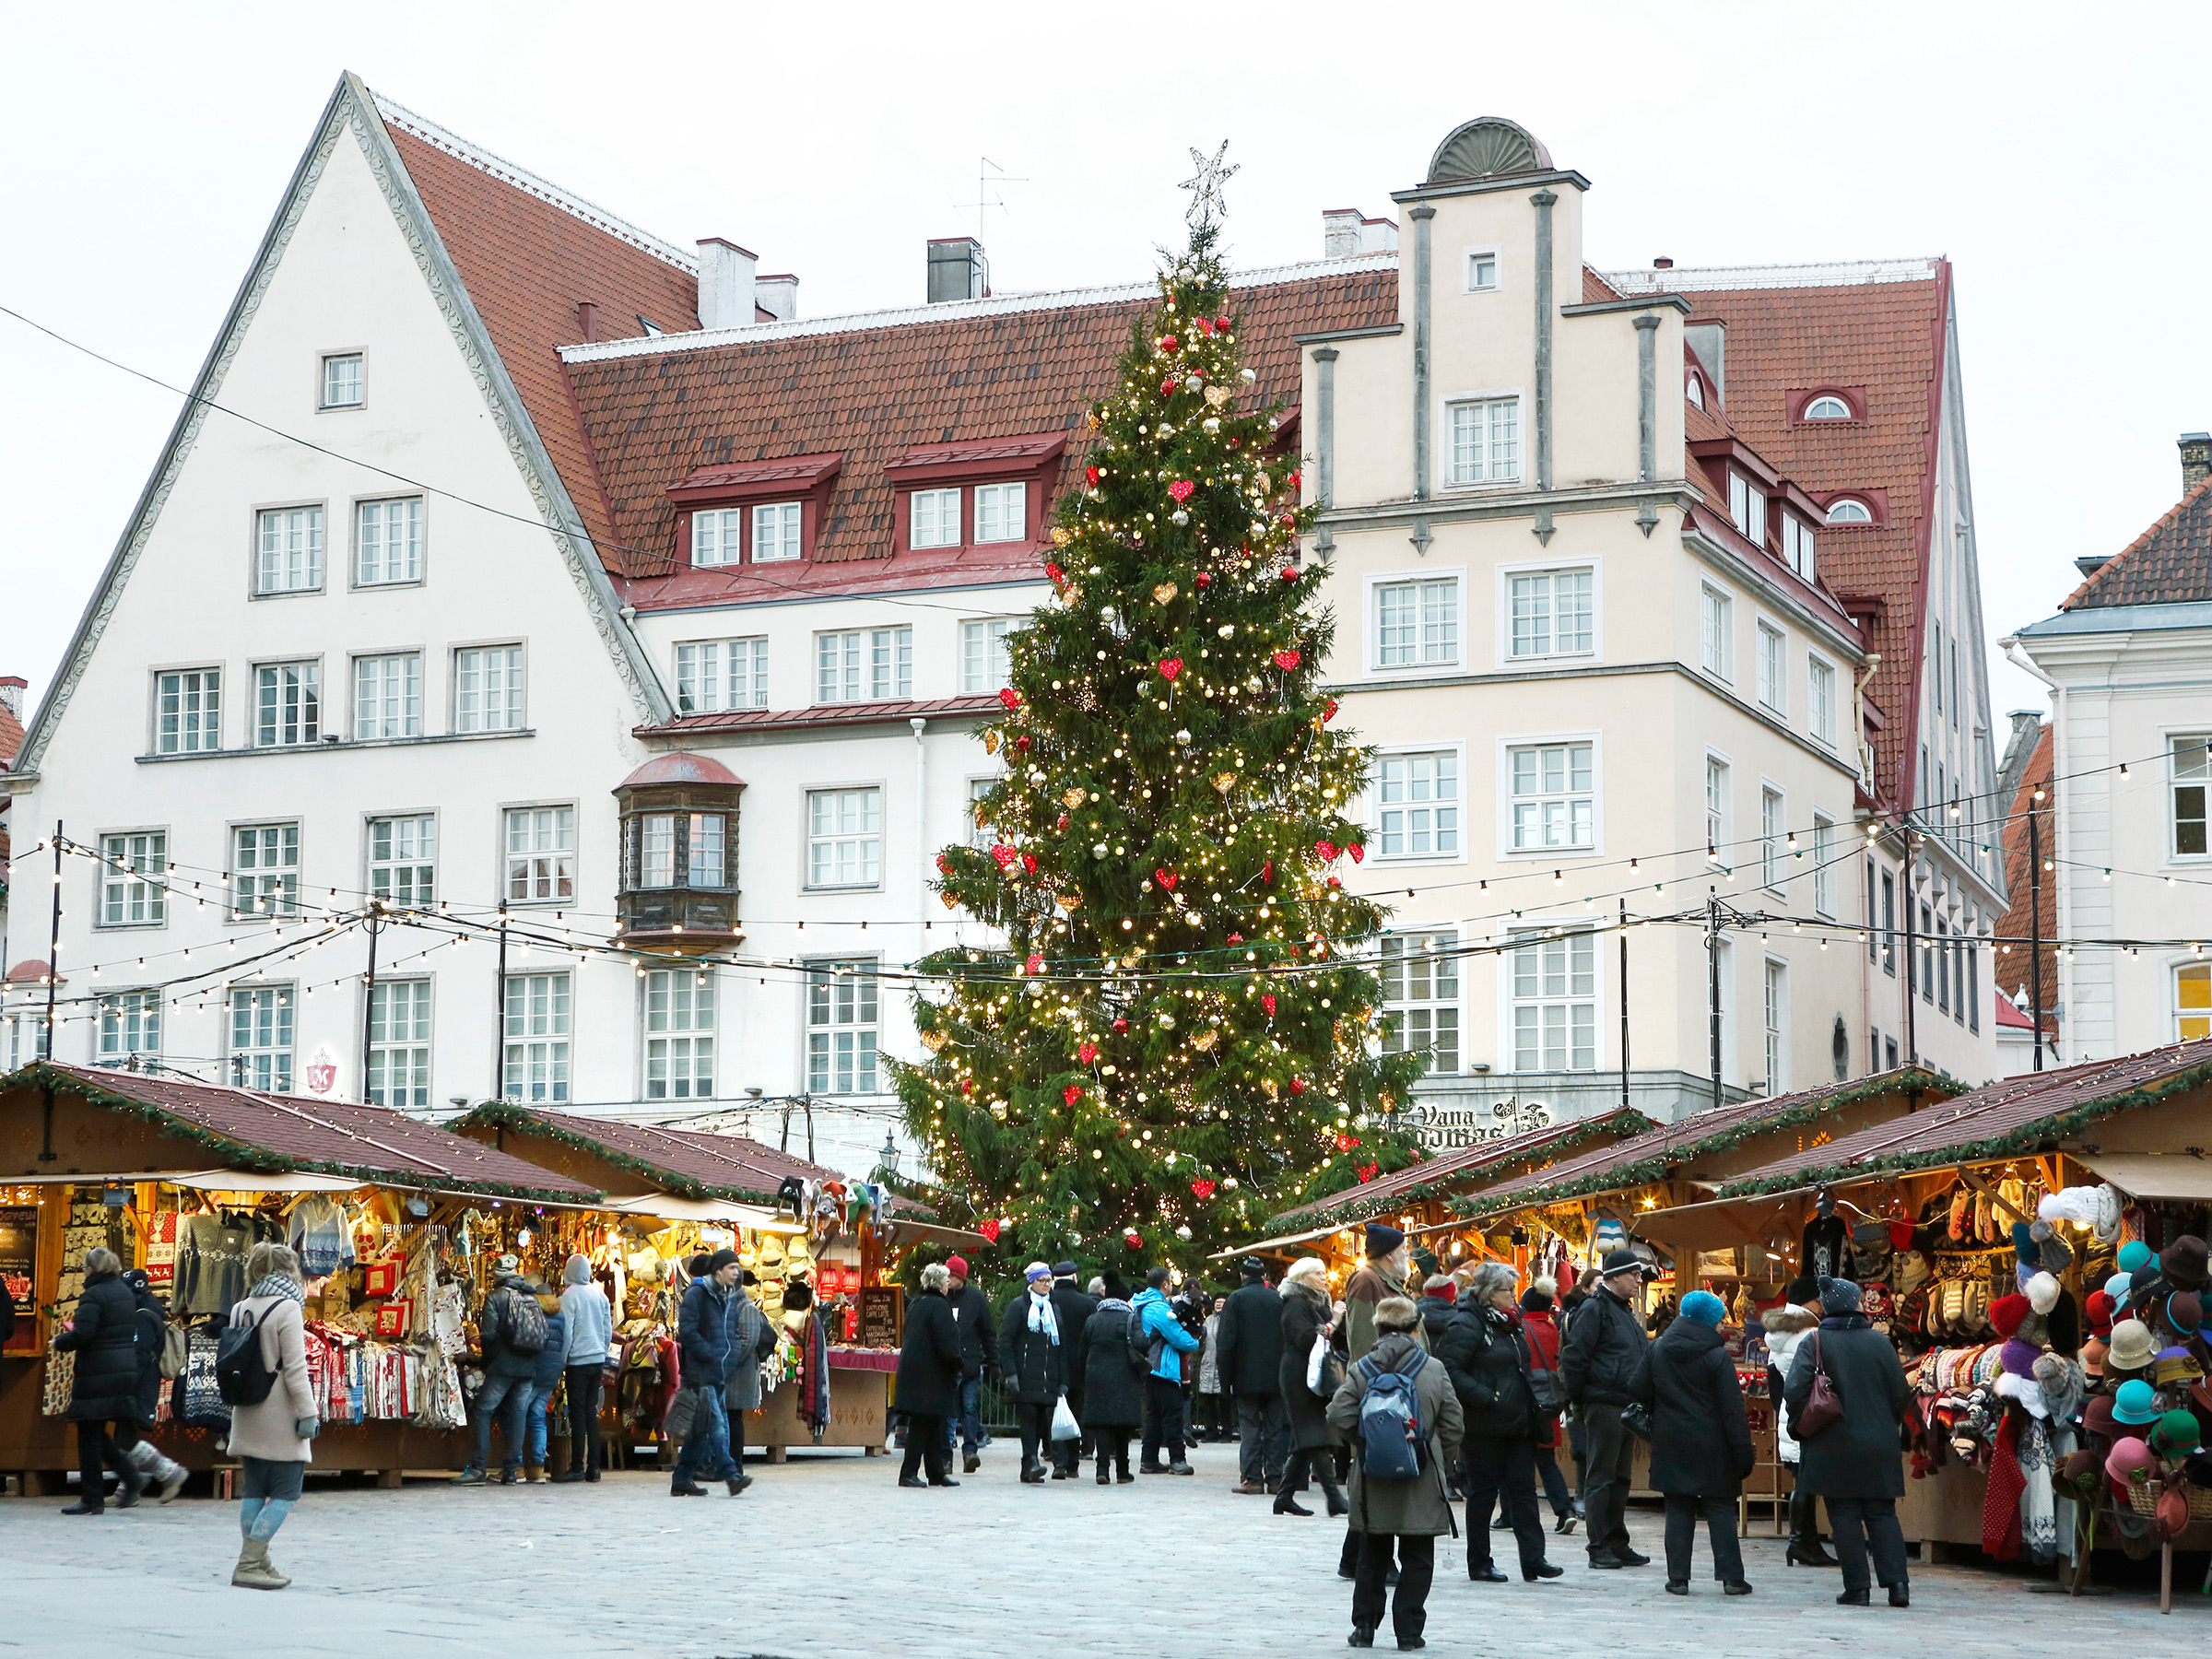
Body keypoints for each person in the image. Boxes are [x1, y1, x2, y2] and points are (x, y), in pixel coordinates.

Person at [1327, 1296, 1465, 1651]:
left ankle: (1364, 1629)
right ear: (1415, 1328)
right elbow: (1453, 1423)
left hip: (1373, 1477)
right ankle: (1408, 1632)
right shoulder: (1433, 1368)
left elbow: (1337, 1414)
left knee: (1372, 1555)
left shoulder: (1363, 1367)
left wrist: (1365, 1443)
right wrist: (1435, 1454)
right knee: (1418, 1558)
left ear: (1379, 1328)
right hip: (1421, 1475)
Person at [1784, 1278, 1913, 1607]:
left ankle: (1858, 1588)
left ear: (1826, 1307)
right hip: (1879, 1441)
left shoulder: (1815, 1342)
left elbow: (1794, 1390)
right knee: (1882, 1514)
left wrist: (1805, 1424)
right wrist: (1886, 1422)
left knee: (1843, 1516)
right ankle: (1898, 1585)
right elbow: (1901, 1393)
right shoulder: (1880, 1343)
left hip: (1831, 1442)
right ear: (1856, 1303)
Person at [1436, 1261, 1562, 1584]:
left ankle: (1534, 1559)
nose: (1514, 1296)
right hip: (1484, 1425)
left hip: (1518, 1422)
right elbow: (1450, 1370)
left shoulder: (1510, 1322)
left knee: (1523, 1491)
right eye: (1508, 1290)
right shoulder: (1466, 1323)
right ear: (1490, 1293)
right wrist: (1488, 1397)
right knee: (1483, 1494)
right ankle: (1479, 1562)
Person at [1637, 1289, 1753, 1596]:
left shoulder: (1657, 1349)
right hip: (1714, 1445)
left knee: (1678, 1508)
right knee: (1720, 1509)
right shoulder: (1716, 1356)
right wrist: (1743, 1454)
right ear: (1708, 1321)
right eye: (1718, 1321)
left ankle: (1678, 1579)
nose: (1720, 1327)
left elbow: (1635, 1388)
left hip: (1669, 1440)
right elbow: (1732, 1411)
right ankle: (1731, 1578)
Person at [224, 1242, 321, 1590]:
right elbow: (295, 1368)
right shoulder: (288, 1308)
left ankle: (260, 1562)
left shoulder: (240, 1308)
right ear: (289, 1270)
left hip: (247, 1409)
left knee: (254, 1489)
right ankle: (249, 1563)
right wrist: (308, 1413)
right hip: (279, 1412)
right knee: (286, 1491)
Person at [1559, 1248, 1653, 1570]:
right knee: (1601, 1477)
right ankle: (1598, 1545)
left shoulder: (1623, 1311)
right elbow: (1574, 1358)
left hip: (1624, 1405)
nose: (1639, 1281)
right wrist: (1579, 1401)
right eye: (1634, 1275)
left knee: (1621, 1477)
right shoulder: (1595, 1309)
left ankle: (1617, 1541)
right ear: (1614, 1277)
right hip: (1603, 1403)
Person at [52, 1247, 147, 1514]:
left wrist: (59, 1341)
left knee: (88, 1433)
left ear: (92, 1268)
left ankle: (93, 1498)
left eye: (84, 1267)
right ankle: (130, 1478)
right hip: (124, 1369)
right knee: (96, 1433)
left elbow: (84, 1333)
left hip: (98, 1371)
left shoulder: (93, 1294)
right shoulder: (125, 1292)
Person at [1760, 1276, 1834, 1564]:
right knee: (1807, 1482)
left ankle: (1803, 1542)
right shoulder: (1808, 1332)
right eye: (1819, 1299)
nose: (1823, 1305)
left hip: (1791, 1415)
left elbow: (1774, 1382)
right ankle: (1802, 1543)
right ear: (1809, 1300)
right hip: (1810, 1415)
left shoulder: (1781, 1332)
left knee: (1803, 1479)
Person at [453, 1253, 539, 1486]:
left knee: (483, 1411)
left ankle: (479, 1468)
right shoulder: (531, 1296)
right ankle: (512, 1470)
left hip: (503, 1366)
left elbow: (489, 1335)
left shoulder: (496, 1297)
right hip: (528, 1367)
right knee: (518, 1415)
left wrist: (482, 1360)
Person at [671, 1249, 751, 1497]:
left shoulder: (728, 1297)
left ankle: (681, 1479)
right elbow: (688, 1331)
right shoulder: (697, 1294)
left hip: (718, 1372)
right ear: (718, 1270)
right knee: (717, 1425)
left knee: (700, 1432)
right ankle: (731, 1475)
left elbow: (732, 1334)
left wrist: (732, 1356)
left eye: (737, 1268)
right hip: (700, 1373)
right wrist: (710, 1354)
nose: (737, 1273)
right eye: (732, 1268)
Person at [1276, 1256, 1348, 1518]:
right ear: (1303, 1277)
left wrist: (1338, 1323)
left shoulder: (1317, 1303)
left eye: (1324, 1273)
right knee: (1315, 1434)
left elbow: (1334, 1341)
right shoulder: (1295, 1304)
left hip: (1314, 1373)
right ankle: (1334, 1498)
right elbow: (1308, 1339)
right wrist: (1334, 1322)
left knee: (1304, 1439)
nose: (1324, 1277)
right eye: (1318, 1273)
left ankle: (1283, 1498)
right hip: (1298, 1374)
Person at [895, 1261, 971, 1488]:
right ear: (940, 1284)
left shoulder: (917, 1303)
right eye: (946, 1281)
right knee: (923, 1426)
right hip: (932, 1375)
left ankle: (935, 1472)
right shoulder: (940, 1306)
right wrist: (957, 1365)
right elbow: (947, 1341)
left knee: (931, 1424)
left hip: (915, 1372)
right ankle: (908, 1473)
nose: (948, 1284)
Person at [1217, 1257, 1288, 1496]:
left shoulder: (1236, 1300)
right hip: (1276, 1376)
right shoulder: (1278, 1299)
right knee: (1274, 1428)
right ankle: (1276, 1478)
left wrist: (1225, 1381)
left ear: (1242, 1276)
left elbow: (1226, 1343)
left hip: (1245, 1376)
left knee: (1249, 1427)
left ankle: (1252, 1478)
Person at [119, 1268, 189, 1501]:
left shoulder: (142, 1315)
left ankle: (168, 1473)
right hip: (144, 1381)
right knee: (125, 1435)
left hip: (138, 1382)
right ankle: (129, 1489)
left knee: (125, 1436)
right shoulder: (150, 1311)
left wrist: (126, 1379)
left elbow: (139, 1352)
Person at [1515, 1279, 1577, 1533]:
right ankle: (1565, 1510)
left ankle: (1515, 1516)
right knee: (1547, 1462)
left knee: (1520, 1464)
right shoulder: (1553, 1329)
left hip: (1527, 1402)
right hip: (1550, 1403)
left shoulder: (1521, 1329)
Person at [998, 1263, 1068, 1483]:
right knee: (1028, 1418)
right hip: (1025, 1375)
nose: (1046, 1285)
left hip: (1048, 1377)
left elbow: (1061, 1346)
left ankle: (1028, 1467)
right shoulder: (1019, 1307)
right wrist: (1010, 1373)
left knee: (1040, 1421)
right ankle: (1030, 1461)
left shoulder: (1053, 1308)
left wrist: (1063, 1379)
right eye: (1042, 1280)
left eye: (1049, 1281)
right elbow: (1006, 1341)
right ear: (1032, 1282)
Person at [1073, 1272, 1145, 1482]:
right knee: (1123, 1426)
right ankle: (1122, 1470)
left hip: (1097, 1377)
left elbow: (1082, 1350)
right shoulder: (1130, 1318)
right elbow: (1141, 1343)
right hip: (1125, 1377)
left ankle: (1102, 1470)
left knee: (1102, 1424)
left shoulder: (1093, 1319)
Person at [1132, 1265, 1200, 1474]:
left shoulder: (1140, 1303)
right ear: (1165, 1283)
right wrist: (1197, 1340)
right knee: (1173, 1414)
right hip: (1163, 1367)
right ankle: (1177, 1460)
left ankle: (1149, 1460)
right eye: (1171, 1282)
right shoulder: (1159, 1309)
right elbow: (1181, 1339)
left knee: (1153, 1414)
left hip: (1148, 1367)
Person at [554, 1253, 611, 1483]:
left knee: (577, 1414)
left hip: (577, 1361)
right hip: (597, 1359)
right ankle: (594, 1468)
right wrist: (602, 1350)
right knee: (591, 1413)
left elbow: (567, 1332)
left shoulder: (568, 1297)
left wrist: (562, 1359)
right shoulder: (600, 1295)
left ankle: (577, 1465)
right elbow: (607, 1329)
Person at [720, 1268, 780, 1489]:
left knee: (734, 1418)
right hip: (734, 1372)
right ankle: (730, 1465)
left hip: (740, 1374)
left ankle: (736, 1465)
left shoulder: (747, 1308)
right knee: (729, 1418)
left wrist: (727, 1363)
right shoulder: (731, 1305)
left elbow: (748, 1341)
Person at [942, 1255, 996, 1473]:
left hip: (970, 1365)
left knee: (969, 1408)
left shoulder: (976, 1299)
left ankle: (970, 1451)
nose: (947, 1279)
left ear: (960, 1277)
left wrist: (994, 1362)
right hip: (947, 1366)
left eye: (951, 1275)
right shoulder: (941, 1297)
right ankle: (946, 1455)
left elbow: (988, 1332)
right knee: (947, 1411)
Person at [1048, 1262, 1098, 1477]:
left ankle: (1058, 1461)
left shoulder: (1048, 1302)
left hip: (1051, 1367)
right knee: (1075, 1414)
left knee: (1053, 1414)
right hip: (1079, 1367)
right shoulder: (1087, 1304)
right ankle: (1073, 1464)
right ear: (1075, 1278)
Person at [518, 1280, 567, 1484]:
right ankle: (537, 1468)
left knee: (519, 1414)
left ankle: (518, 1466)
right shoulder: (561, 1314)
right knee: (538, 1417)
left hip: (534, 1369)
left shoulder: (534, 1312)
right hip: (552, 1371)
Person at [1344, 1223, 1413, 1365]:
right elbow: (1363, 1340)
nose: (1407, 1253)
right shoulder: (1365, 1280)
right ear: (1389, 1254)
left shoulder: (1388, 1282)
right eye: (1403, 1248)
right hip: (1384, 1379)